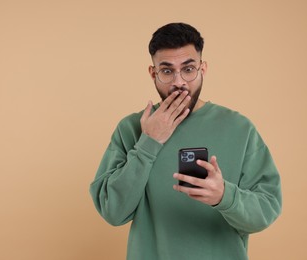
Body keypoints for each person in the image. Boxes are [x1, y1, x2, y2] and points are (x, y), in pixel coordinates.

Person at [89, 22, 282, 260]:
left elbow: (266, 210)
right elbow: (113, 212)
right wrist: (149, 141)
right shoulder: (131, 128)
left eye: (188, 69)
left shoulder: (239, 128)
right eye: (167, 71)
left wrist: (224, 196)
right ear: (153, 73)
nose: (178, 82)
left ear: (203, 69)